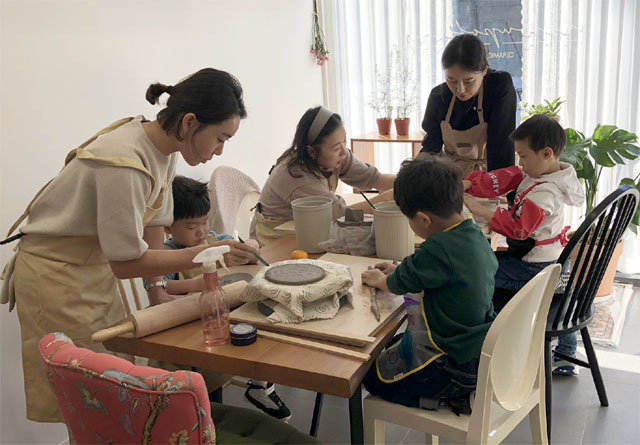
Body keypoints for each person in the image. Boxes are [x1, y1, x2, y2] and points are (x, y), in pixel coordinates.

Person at [0, 68, 260, 422]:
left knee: (114, 387)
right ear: (189, 122)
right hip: (56, 276)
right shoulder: (124, 161)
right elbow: (125, 263)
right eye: (220, 138)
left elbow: (153, 221)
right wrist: (204, 255)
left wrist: (157, 290)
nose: (220, 150)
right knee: (87, 397)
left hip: (93, 271)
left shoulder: (163, 150)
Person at [361, 158, 497, 411]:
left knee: (371, 377)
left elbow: (399, 283)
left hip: (450, 365)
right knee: (396, 344)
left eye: (409, 220)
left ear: (423, 220)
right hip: (479, 350)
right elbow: (429, 272)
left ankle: (442, 399)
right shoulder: (475, 233)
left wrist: (382, 279)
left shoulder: (437, 248)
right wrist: (400, 269)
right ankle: (450, 393)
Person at [154, 175, 291, 421]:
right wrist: (195, 284)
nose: (201, 231)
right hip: (189, 325)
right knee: (208, 374)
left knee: (259, 329)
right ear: (167, 227)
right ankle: (209, 414)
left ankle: (260, 386)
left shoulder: (212, 238)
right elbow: (161, 286)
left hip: (219, 313)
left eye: (205, 222)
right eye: (191, 226)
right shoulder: (166, 253)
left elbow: (235, 246)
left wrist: (249, 248)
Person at [463, 114, 585, 375]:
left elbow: (519, 230)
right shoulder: (546, 173)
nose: (520, 162)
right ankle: (566, 351)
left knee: (482, 275)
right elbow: (506, 177)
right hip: (556, 261)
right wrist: (470, 184)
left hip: (536, 267)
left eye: (524, 155)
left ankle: (496, 342)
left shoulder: (544, 193)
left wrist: (479, 209)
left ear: (547, 153)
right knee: (560, 287)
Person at [253, 106, 396, 246]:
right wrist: (388, 198)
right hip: (277, 242)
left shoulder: (337, 156)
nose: (343, 152)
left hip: (311, 230)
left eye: (344, 142)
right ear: (312, 152)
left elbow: (375, 178)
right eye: (335, 148)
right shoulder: (295, 176)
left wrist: (410, 182)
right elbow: (340, 215)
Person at [420, 34, 517, 176]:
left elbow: (501, 147)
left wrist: (499, 190)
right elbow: (431, 148)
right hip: (451, 177)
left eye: (468, 81)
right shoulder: (438, 96)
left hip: (489, 175)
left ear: (484, 71)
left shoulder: (499, 85)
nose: (460, 89)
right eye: (451, 80)